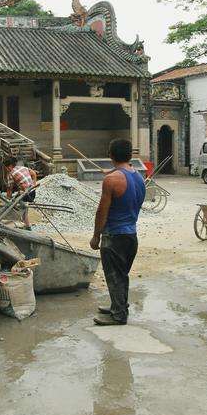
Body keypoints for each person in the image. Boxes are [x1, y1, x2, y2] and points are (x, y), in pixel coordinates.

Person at [90, 139, 146, 326]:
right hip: (131, 236)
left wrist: (96, 235)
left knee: (114, 276)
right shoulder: (139, 177)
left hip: (114, 236)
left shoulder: (111, 180)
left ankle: (119, 315)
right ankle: (119, 305)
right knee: (121, 275)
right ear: (130, 155)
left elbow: (102, 211)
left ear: (111, 155)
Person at [4, 156, 37, 230]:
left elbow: (9, 190)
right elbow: (34, 173)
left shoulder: (11, 174)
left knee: (19, 206)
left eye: (6, 167)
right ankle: (26, 224)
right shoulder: (22, 167)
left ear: (9, 167)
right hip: (33, 192)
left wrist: (8, 201)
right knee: (20, 201)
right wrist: (34, 185)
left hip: (27, 195)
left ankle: (27, 226)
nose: (6, 169)